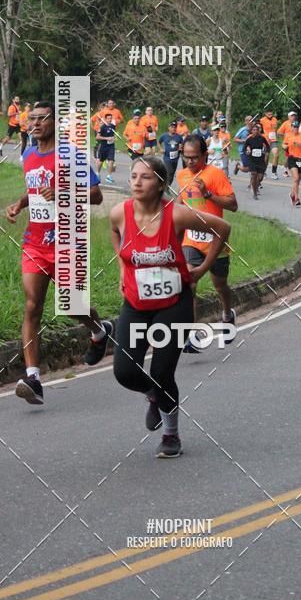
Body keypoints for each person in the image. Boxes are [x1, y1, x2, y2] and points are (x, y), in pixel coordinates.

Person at [110, 154, 230, 457]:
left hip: (174, 305)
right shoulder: (118, 214)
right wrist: (124, 268)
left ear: (161, 184)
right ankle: (152, 395)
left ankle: (170, 433)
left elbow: (222, 229)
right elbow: (116, 236)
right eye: (134, 176)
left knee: (162, 371)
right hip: (136, 305)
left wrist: (201, 270)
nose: (137, 182)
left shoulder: (176, 215)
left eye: (146, 177)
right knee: (125, 372)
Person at [5, 101, 114, 406]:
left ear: (55, 122)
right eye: (31, 119)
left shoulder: (71, 154)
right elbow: (35, 189)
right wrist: (19, 204)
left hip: (67, 238)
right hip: (36, 241)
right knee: (32, 305)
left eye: (41, 119)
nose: (34, 124)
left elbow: (96, 195)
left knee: (70, 306)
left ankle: (98, 330)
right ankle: (33, 378)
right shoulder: (27, 154)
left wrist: (67, 193)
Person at [176, 134, 238, 352]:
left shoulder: (215, 174)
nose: (190, 162)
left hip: (215, 240)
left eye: (194, 158)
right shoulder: (182, 175)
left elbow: (233, 205)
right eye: (186, 157)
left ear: (205, 155)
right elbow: (181, 203)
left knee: (220, 285)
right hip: (191, 240)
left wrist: (208, 195)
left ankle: (228, 313)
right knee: (190, 285)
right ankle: (191, 335)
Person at [244, 123, 270, 199]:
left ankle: (255, 186)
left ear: (258, 131)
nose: (255, 131)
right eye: (254, 130)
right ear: (251, 131)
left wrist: (265, 151)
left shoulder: (262, 138)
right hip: (252, 159)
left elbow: (268, 147)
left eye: (256, 130)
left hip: (260, 160)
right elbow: (245, 148)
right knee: (254, 174)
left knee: (260, 177)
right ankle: (254, 193)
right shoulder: (249, 139)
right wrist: (247, 151)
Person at [284, 120, 301, 206]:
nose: (295, 128)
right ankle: (297, 198)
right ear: (292, 128)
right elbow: (284, 144)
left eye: (297, 127)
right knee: (296, 178)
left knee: (297, 180)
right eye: (294, 127)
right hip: (292, 158)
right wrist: (284, 146)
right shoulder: (288, 136)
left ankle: (292, 194)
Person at [158, 120, 184, 186]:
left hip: (175, 158)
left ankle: (167, 186)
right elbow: (158, 142)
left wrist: (180, 148)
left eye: (175, 127)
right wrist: (161, 148)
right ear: (169, 128)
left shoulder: (179, 136)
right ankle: (165, 186)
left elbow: (181, 144)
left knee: (172, 174)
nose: (173, 128)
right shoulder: (164, 136)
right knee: (170, 171)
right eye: (172, 127)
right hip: (167, 158)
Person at [96, 111, 117, 183]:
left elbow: (113, 134)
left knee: (111, 160)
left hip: (111, 146)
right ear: (105, 119)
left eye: (111, 118)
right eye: (108, 118)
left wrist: (114, 138)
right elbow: (97, 137)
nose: (110, 120)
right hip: (103, 146)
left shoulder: (113, 126)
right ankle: (98, 173)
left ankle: (109, 176)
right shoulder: (102, 127)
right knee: (101, 161)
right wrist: (106, 138)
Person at [259, 111, 279, 179]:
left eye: (271, 114)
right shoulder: (262, 120)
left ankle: (274, 172)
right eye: (269, 114)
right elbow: (259, 130)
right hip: (265, 141)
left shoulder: (275, 119)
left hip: (273, 140)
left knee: (276, 154)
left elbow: (275, 129)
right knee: (266, 158)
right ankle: (263, 172)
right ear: (265, 114)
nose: (270, 115)